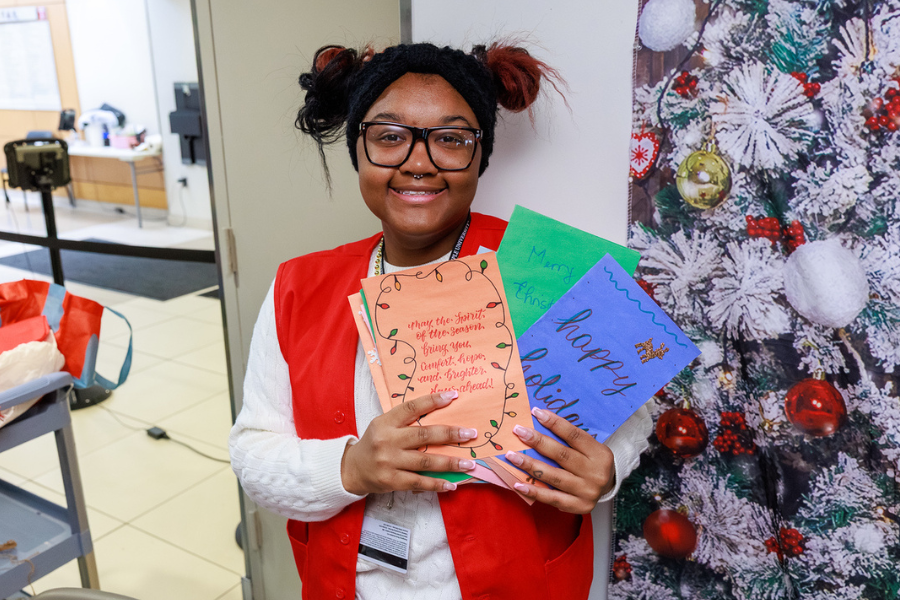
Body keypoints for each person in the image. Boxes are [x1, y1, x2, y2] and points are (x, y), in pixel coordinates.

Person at [229, 41, 652, 600]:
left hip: (518, 581)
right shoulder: (297, 287)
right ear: (359, 149)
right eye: (389, 136)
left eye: (451, 139)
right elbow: (253, 453)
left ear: (480, 155)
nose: (419, 161)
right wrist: (352, 468)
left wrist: (607, 469)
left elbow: (628, 417)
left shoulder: (547, 271)